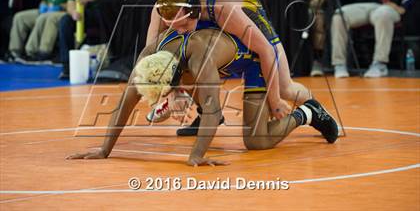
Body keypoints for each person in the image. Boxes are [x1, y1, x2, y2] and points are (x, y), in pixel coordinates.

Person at [67, 23, 338, 166]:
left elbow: (214, 111)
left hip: (254, 57)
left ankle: (308, 112)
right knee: (181, 93)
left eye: (166, 92)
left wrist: (196, 155)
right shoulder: (149, 55)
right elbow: (124, 105)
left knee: (257, 141)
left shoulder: (199, 58)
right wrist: (104, 149)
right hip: (210, 61)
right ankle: (183, 102)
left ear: (175, 79)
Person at [145, 0, 316, 127]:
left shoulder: (223, 8)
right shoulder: (163, 8)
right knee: (181, 56)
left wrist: (275, 100)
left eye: (182, 25)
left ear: (193, 12)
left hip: (246, 14)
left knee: (285, 88)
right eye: (173, 27)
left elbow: (266, 51)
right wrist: (172, 92)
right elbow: (152, 59)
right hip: (205, 10)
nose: (180, 31)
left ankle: (318, 110)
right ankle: (206, 112)